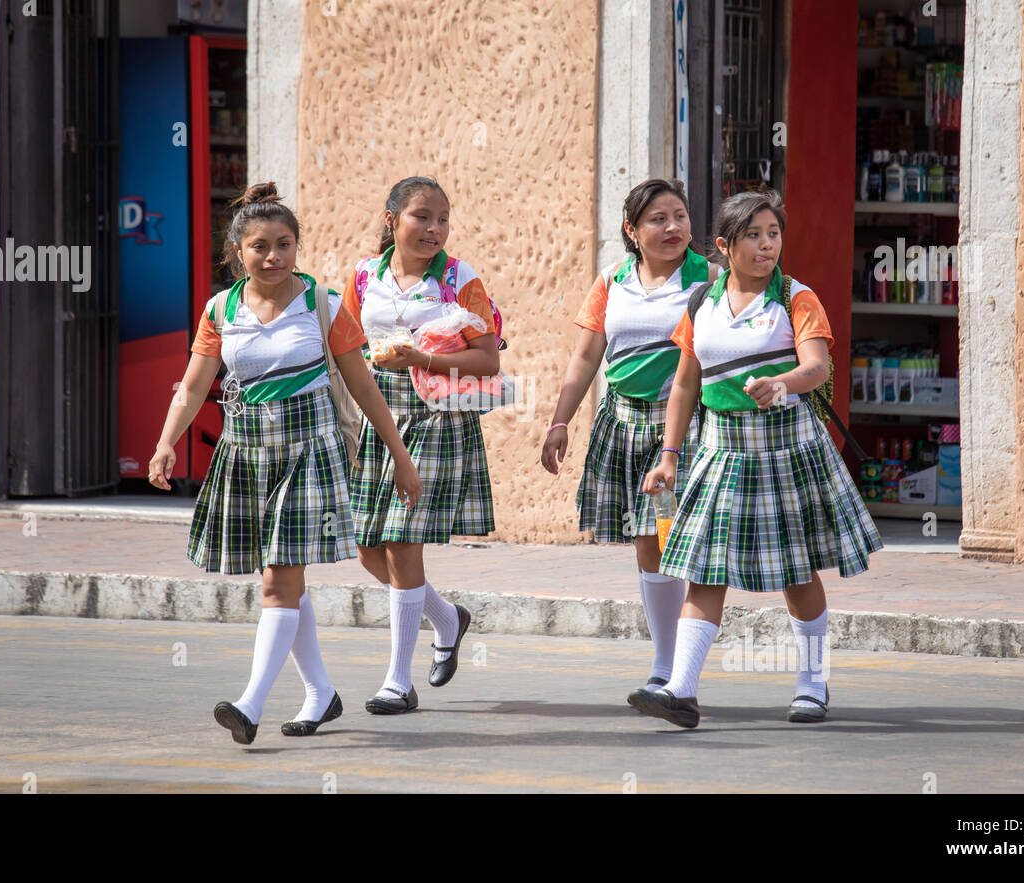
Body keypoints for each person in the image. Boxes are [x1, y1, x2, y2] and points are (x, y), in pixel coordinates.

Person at [148, 182, 421, 744]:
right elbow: (195, 385)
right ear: (237, 252)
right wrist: (165, 442)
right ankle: (321, 693)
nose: (273, 256)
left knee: (278, 580)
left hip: (309, 452)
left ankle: (249, 705)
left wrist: (400, 457)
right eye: (259, 246)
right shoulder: (219, 309)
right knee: (284, 582)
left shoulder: (323, 303)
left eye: (284, 244)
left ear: (298, 247)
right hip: (246, 453)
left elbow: (364, 387)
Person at [634, 188, 883, 729]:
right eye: (754, 235)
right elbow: (683, 387)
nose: (767, 244)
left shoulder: (797, 297)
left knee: (798, 572)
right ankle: (681, 691)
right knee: (703, 569)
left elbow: (816, 368)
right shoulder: (701, 303)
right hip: (720, 450)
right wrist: (670, 456)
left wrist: (782, 382)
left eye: (774, 234)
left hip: (787, 450)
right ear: (725, 245)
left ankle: (813, 685)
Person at [540, 178, 714, 702]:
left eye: (680, 216)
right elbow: (586, 358)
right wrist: (560, 420)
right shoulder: (612, 281)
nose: (673, 228)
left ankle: (680, 668)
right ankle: (665, 665)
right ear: (632, 231)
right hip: (623, 421)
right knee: (648, 542)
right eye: (658, 219)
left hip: (684, 426)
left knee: (676, 542)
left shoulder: (710, 279)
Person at [341, 176, 500, 714]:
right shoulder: (365, 276)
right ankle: (447, 617)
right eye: (421, 217)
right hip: (375, 415)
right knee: (368, 548)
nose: (434, 229)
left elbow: (488, 359)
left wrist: (422, 359)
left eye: (442, 219)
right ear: (392, 220)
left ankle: (396, 682)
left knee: (403, 544)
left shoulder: (459, 278)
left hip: (434, 416)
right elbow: (346, 348)